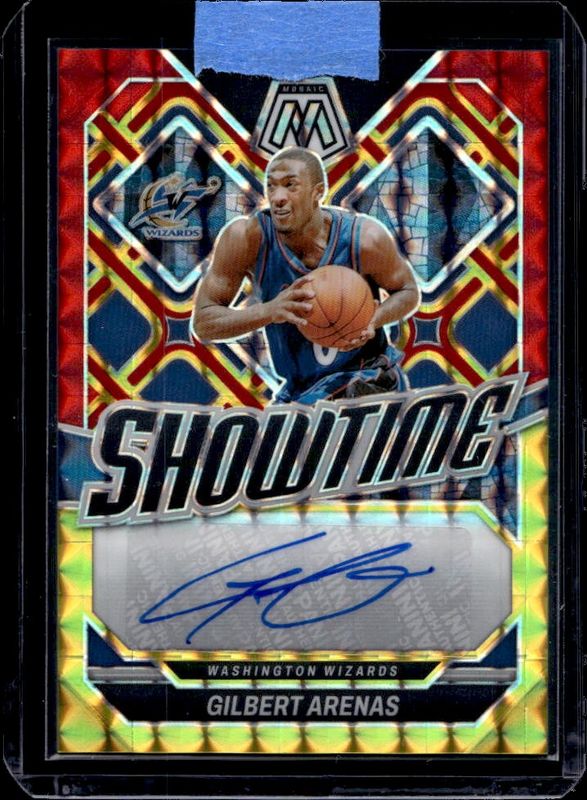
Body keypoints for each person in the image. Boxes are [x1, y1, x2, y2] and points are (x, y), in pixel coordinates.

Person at [193, 146, 420, 404]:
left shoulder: (365, 238)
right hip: (300, 389)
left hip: (366, 375)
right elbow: (204, 322)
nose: (278, 197)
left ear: (318, 192)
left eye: (290, 185)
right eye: (271, 186)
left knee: (314, 415)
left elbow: (408, 291)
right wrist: (269, 311)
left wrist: (372, 320)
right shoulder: (245, 238)